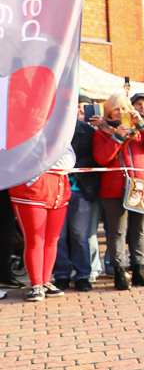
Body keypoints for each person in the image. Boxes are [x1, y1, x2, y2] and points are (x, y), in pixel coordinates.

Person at [93, 93, 144, 290]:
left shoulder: (140, 130)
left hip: (142, 187)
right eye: (116, 109)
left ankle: (139, 270)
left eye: (124, 108)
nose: (121, 112)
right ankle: (119, 272)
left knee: (139, 231)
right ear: (108, 113)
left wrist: (141, 124)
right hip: (115, 189)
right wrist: (116, 137)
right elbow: (101, 158)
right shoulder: (102, 133)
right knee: (117, 232)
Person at [10, 146, 76, 301]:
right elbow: (24, 161)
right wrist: (51, 161)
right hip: (31, 193)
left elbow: (69, 162)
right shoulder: (26, 133)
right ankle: (36, 284)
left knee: (52, 240)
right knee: (35, 240)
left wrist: (44, 163)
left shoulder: (61, 132)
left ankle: (45, 281)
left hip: (58, 192)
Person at [52, 100, 104, 291]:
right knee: (59, 236)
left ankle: (83, 274)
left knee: (80, 235)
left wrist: (71, 165)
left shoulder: (87, 130)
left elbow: (95, 157)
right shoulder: (49, 130)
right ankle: (62, 275)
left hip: (80, 190)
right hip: (55, 189)